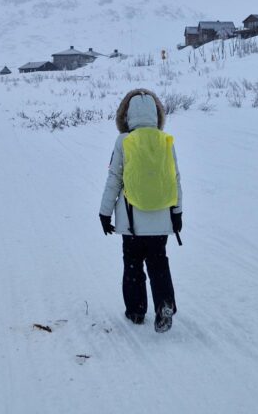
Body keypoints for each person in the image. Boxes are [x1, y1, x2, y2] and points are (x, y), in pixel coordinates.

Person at [99, 88, 183, 333]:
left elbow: (114, 178)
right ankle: (164, 302)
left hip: (132, 220)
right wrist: (177, 212)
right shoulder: (165, 140)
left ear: (126, 115)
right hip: (161, 218)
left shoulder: (124, 141)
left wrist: (105, 212)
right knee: (159, 263)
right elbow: (175, 179)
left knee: (133, 264)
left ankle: (136, 311)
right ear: (156, 114)